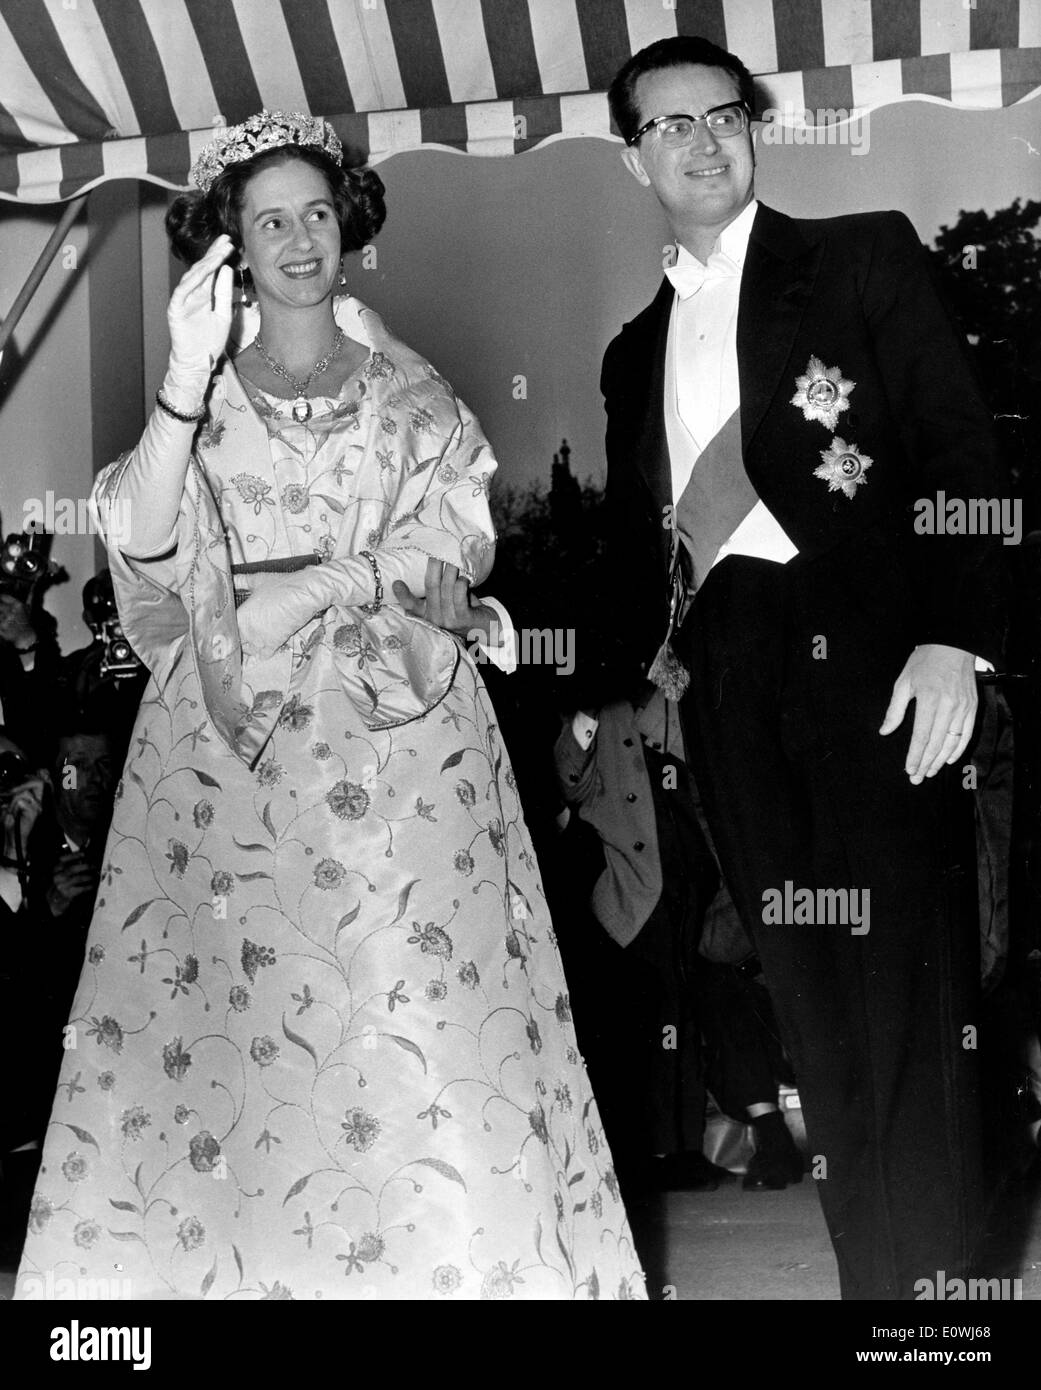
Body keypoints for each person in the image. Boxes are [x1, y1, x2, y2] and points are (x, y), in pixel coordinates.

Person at [15, 111, 644, 1301]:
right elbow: (140, 538)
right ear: (230, 245)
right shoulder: (197, 391)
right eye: (269, 220)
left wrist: (329, 581)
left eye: (315, 212)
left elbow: (459, 538)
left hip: (399, 738)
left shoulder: (416, 393)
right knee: (238, 1019)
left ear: (346, 226)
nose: (299, 238)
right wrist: (181, 378)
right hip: (223, 740)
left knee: (410, 1007)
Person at [596, 37, 1008, 1299]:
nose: (701, 142)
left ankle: (935, 1308)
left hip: (879, 666)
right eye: (669, 128)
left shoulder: (861, 256)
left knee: (911, 998)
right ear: (635, 159)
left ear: (755, 129)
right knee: (813, 1010)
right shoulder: (631, 353)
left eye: (722, 116)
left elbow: (963, 455)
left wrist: (958, 642)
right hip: (732, 691)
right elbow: (630, 558)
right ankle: (875, 1292)